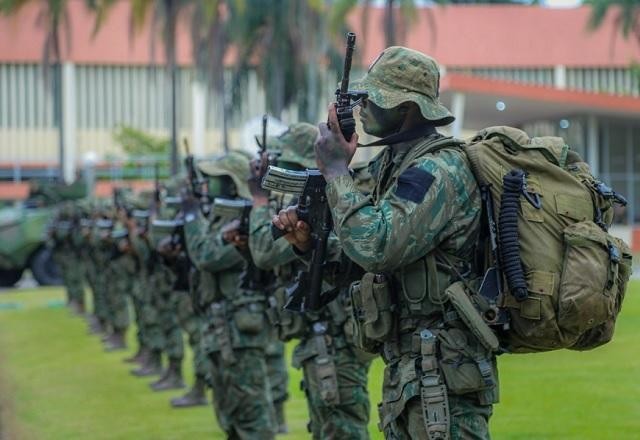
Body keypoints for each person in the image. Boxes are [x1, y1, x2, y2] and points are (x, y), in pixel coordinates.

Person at [274, 46, 498, 439]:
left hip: (444, 371)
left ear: (406, 108)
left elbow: (377, 245)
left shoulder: (436, 170)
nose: (362, 109)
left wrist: (337, 171)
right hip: (412, 368)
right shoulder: (394, 167)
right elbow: (363, 263)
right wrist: (309, 245)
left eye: (372, 99)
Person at [248, 122, 372, 439]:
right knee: (325, 428)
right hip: (322, 339)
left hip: (334, 339)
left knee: (340, 429)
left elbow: (264, 250)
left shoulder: (322, 203)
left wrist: (260, 202)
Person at [184, 151, 277, 439]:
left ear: (231, 183)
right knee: (228, 410)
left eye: (214, 180)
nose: (207, 186)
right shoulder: (220, 218)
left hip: (240, 328)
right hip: (220, 325)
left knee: (250, 409)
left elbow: (205, 256)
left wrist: (190, 216)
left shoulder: (248, 219)